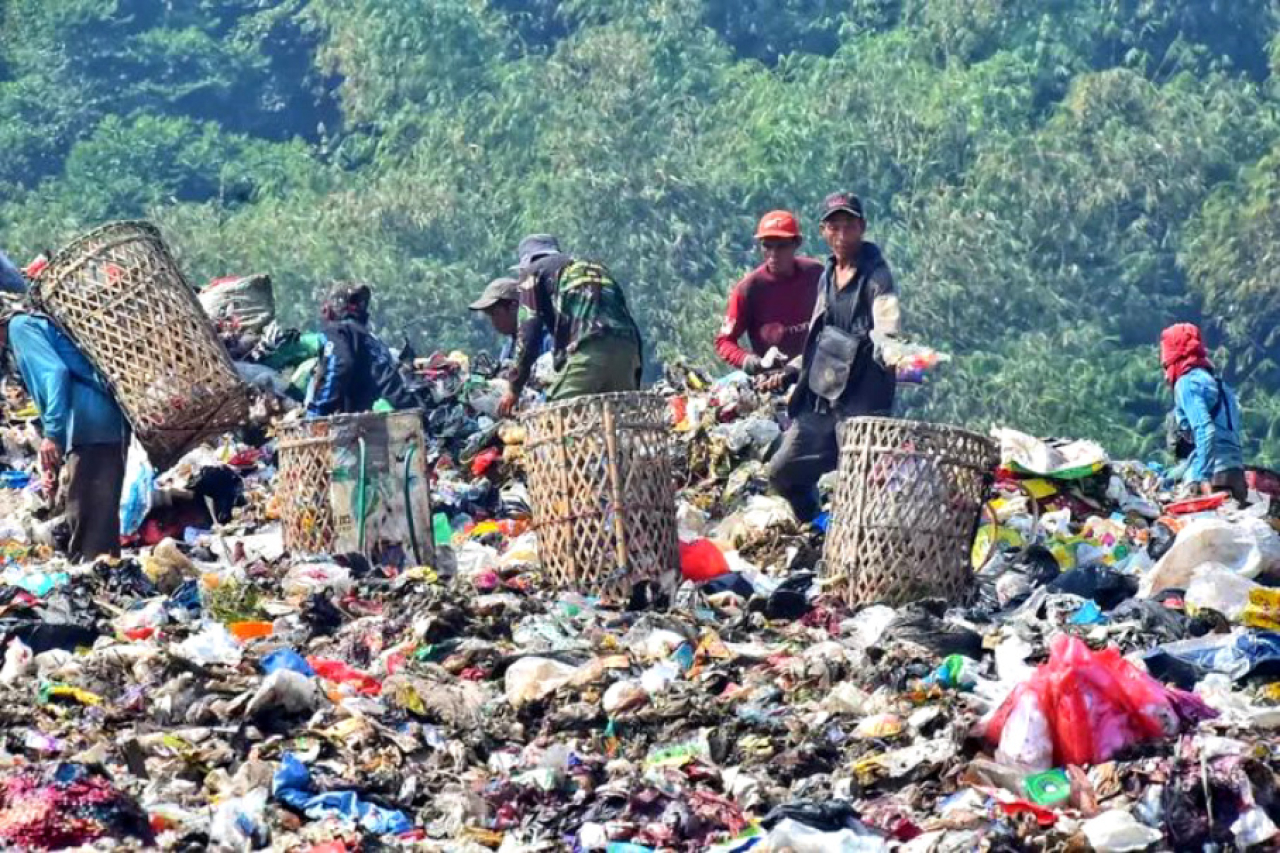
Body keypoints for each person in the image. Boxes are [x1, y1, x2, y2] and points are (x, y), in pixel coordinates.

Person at [765, 192, 902, 523]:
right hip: (822, 399)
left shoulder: (877, 277)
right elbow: (819, 335)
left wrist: (891, 351)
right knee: (782, 473)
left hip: (861, 408)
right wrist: (792, 370)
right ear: (824, 231)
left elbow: (889, 325)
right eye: (834, 227)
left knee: (860, 493)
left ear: (862, 227)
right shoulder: (827, 275)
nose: (842, 236)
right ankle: (814, 524)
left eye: (849, 226)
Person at [0, 298, 128, 561]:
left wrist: (53, 435)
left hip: (92, 422)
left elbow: (56, 373)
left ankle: (97, 584)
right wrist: (53, 461)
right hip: (90, 425)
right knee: (87, 510)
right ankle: (102, 578)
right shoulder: (24, 330)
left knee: (89, 516)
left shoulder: (20, 327)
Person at [498, 235, 643, 416]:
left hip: (588, 348)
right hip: (628, 349)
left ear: (527, 261)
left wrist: (514, 387)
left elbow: (528, 332)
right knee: (617, 420)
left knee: (556, 417)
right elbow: (627, 319)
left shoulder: (533, 272)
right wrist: (636, 373)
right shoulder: (595, 268)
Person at [715, 210, 822, 373]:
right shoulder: (749, 290)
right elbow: (724, 341)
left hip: (818, 372)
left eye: (781, 246)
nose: (773, 254)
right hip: (775, 380)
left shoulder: (816, 274)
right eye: (767, 246)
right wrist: (752, 362)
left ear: (796, 243)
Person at [1160, 322, 1246, 501]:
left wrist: (1201, 477)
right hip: (1237, 476)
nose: (1166, 374)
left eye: (1166, 365)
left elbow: (1206, 432)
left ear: (1174, 358)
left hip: (1213, 479)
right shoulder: (1223, 388)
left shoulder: (1187, 384)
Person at [306, 282, 418, 418]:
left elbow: (340, 364)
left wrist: (318, 411)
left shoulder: (338, 331)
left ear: (330, 309)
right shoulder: (372, 339)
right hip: (401, 409)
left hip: (374, 420)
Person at [469, 276, 523, 361]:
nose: (493, 321)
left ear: (513, 307)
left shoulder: (543, 341)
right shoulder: (509, 345)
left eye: (495, 313)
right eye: (489, 315)